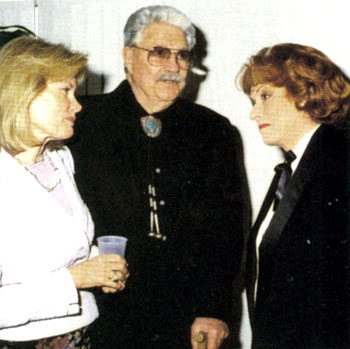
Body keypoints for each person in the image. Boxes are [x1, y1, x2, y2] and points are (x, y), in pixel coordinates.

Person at [69, 5, 250, 348]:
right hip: (99, 312)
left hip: (184, 317)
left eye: (182, 56)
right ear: (128, 55)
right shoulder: (84, 122)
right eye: (159, 53)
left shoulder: (213, 132)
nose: (173, 66)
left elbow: (227, 231)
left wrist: (215, 309)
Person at [0, 36, 129, 348]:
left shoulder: (59, 158)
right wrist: (75, 279)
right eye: (65, 91)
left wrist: (101, 265)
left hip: (81, 332)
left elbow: (63, 246)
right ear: (24, 92)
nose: (78, 104)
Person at [238, 43, 349, 348]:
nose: (253, 113)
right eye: (252, 100)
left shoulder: (339, 163)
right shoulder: (291, 169)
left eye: (265, 96)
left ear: (304, 93)